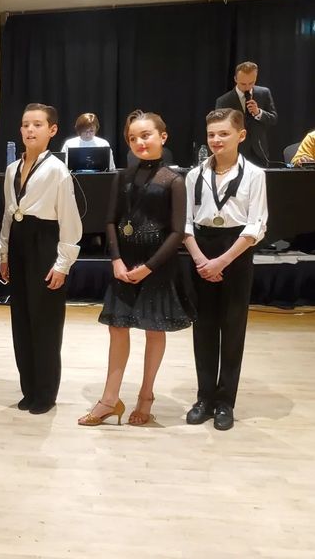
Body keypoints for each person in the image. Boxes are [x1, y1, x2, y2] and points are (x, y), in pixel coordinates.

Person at [78, 110, 193, 427]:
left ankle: (146, 397)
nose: (139, 142)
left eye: (146, 135)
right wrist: (116, 259)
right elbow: (110, 221)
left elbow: (177, 232)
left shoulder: (174, 180)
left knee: (154, 329)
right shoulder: (123, 176)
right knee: (118, 328)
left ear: (162, 137)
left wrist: (149, 267)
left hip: (157, 266)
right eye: (132, 138)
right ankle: (109, 399)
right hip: (124, 264)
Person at [183, 108, 268, 431]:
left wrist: (221, 261)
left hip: (236, 251)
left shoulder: (255, 175)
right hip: (201, 251)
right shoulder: (194, 175)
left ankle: (225, 402)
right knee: (203, 328)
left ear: (241, 135)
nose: (216, 140)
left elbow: (256, 225)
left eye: (224, 133)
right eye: (211, 134)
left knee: (232, 329)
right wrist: (201, 260)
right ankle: (204, 398)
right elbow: (185, 224)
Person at [0, 103, 82, 414]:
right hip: (19, 244)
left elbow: (70, 221)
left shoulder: (57, 170)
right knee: (21, 320)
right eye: (25, 125)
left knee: (45, 322)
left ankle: (46, 392)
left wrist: (62, 263)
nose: (30, 130)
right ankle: (29, 387)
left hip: (44, 244)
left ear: (52, 130)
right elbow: (8, 215)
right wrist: (4, 252)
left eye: (37, 125)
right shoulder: (11, 169)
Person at [214, 61, 278, 167]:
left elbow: (273, 119)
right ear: (235, 79)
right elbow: (219, 129)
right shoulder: (223, 101)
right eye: (243, 84)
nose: (247, 87)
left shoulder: (264, 93)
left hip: (259, 152)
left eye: (251, 83)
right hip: (235, 152)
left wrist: (258, 112)